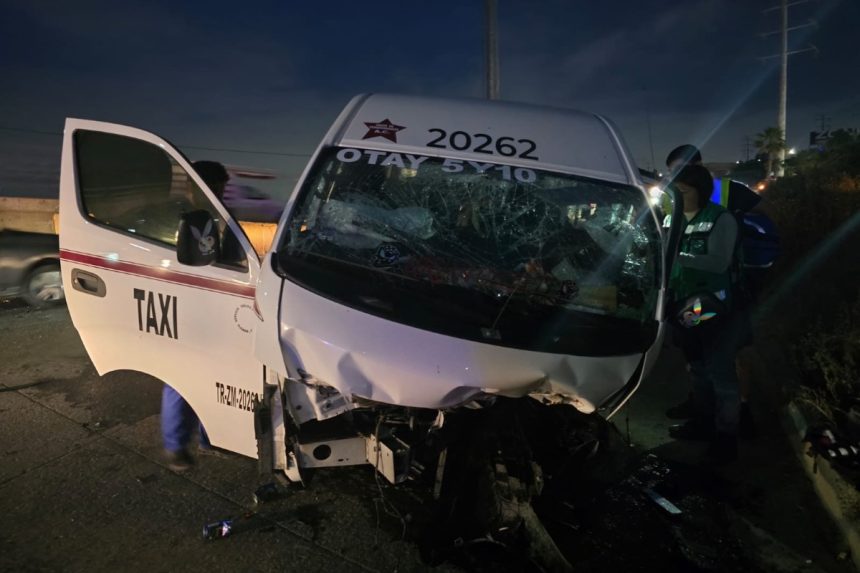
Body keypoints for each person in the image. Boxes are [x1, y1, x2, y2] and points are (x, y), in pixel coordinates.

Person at [663, 145, 758, 440]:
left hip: (715, 305)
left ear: (700, 189)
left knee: (720, 372)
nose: (677, 197)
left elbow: (718, 263)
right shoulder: (673, 218)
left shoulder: (721, 218)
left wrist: (674, 256)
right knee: (697, 367)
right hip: (686, 304)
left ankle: (726, 437)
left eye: (683, 191)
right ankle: (702, 423)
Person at [161, 160, 230, 472]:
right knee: (179, 376)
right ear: (195, 184)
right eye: (215, 186)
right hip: (184, 302)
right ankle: (176, 447)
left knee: (214, 374)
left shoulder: (216, 215)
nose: (220, 193)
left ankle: (209, 437)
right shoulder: (180, 214)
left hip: (212, 303)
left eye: (221, 188)